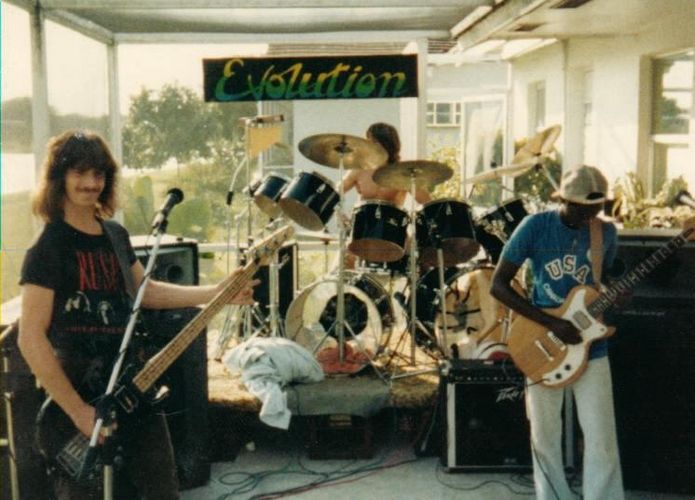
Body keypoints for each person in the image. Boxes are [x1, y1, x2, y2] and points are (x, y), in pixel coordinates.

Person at [18, 130, 258, 500]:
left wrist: (218, 293)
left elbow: (147, 292)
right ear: (59, 177)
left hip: (133, 385)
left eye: (98, 174)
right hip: (78, 391)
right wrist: (78, 410)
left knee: (162, 490)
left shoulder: (114, 235)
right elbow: (30, 337)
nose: (91, 184)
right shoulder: (48, 247)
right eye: (80, 173)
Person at [490, 164, 624, 500]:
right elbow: (498, 285)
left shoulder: (606, 233)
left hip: (591, 346)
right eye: (581, 208)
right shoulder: (535, 226)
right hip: (542, 340)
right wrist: (552, 323)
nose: (589, 216)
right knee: (545, 436)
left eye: (596, 208)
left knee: (602, 437)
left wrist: (618, 293)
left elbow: (603, 280)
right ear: (563, 200)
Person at [340, 122, 430, 207]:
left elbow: (428, 204)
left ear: (387, 145)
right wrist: (341, 214)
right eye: (368, 142)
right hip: (363, 218)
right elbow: (336, 193)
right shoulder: (360, 169)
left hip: (393, 218)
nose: (369, 146)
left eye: (374, 142)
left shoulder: (403, 172)